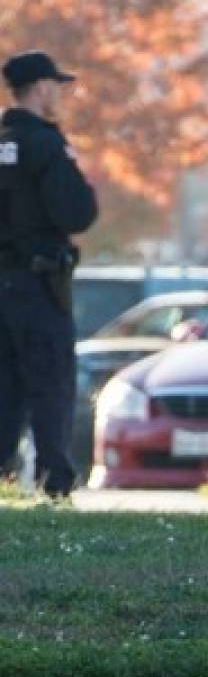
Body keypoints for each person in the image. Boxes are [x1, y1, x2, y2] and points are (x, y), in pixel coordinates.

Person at [0, 51, 98, 499]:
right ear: (40, 88)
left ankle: (3, 476)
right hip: (39, 285)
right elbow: (76, 211)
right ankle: (54, 480)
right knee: (49, 382)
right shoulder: (45, 144)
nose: (58, 94)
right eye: (55, 86)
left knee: (6, 385)